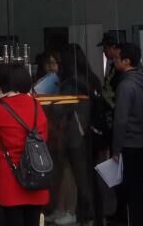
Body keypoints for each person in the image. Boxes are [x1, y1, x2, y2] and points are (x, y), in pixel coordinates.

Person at [0, 63, 50, 226]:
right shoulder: (36, 105)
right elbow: (43, 137)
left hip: (9, 178)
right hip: (35, 174)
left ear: (3, 83)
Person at [47, 44, 100, 226]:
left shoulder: (72, 83)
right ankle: (84, 213)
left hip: (75, 135)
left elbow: (60, 109)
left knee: (78, 177)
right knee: (81, 176)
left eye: (57, 63)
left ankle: (82, 214)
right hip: (88, 133)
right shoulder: (90, 78)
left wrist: (50, 102)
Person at [112, 42, 143, 226]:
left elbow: (120, 120)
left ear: (126, 61)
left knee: (132, 191)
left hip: (130, 143)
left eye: (116, 58)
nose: (113, 61)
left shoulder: (126, 85)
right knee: (141, 189)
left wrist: (116, 148)